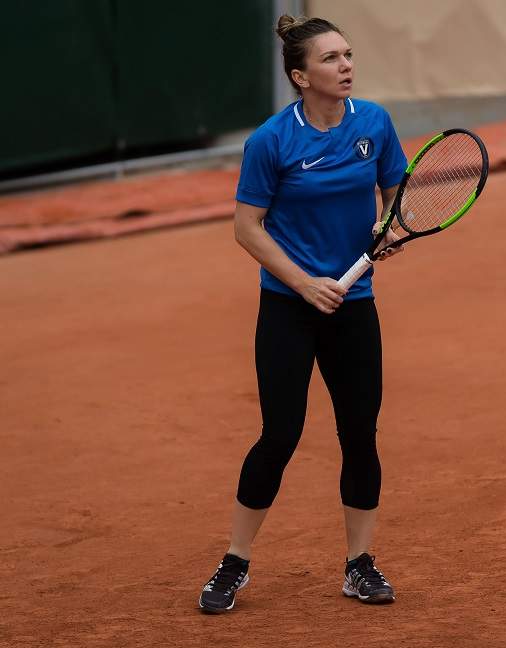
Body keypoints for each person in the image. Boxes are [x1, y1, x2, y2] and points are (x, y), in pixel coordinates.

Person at [198, 14, 407, 613]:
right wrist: (304, 283)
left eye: (348, 55)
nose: (346, 66)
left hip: (354, 306)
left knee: (360, 435)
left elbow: (395, 191)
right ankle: (234, 564)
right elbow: (247, 227)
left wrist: (386, 226)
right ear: (301, 75)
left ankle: (359, 565)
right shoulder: (271, 140)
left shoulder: (374, 122)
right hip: (289, 308)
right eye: (332, 59)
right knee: (280, 434)